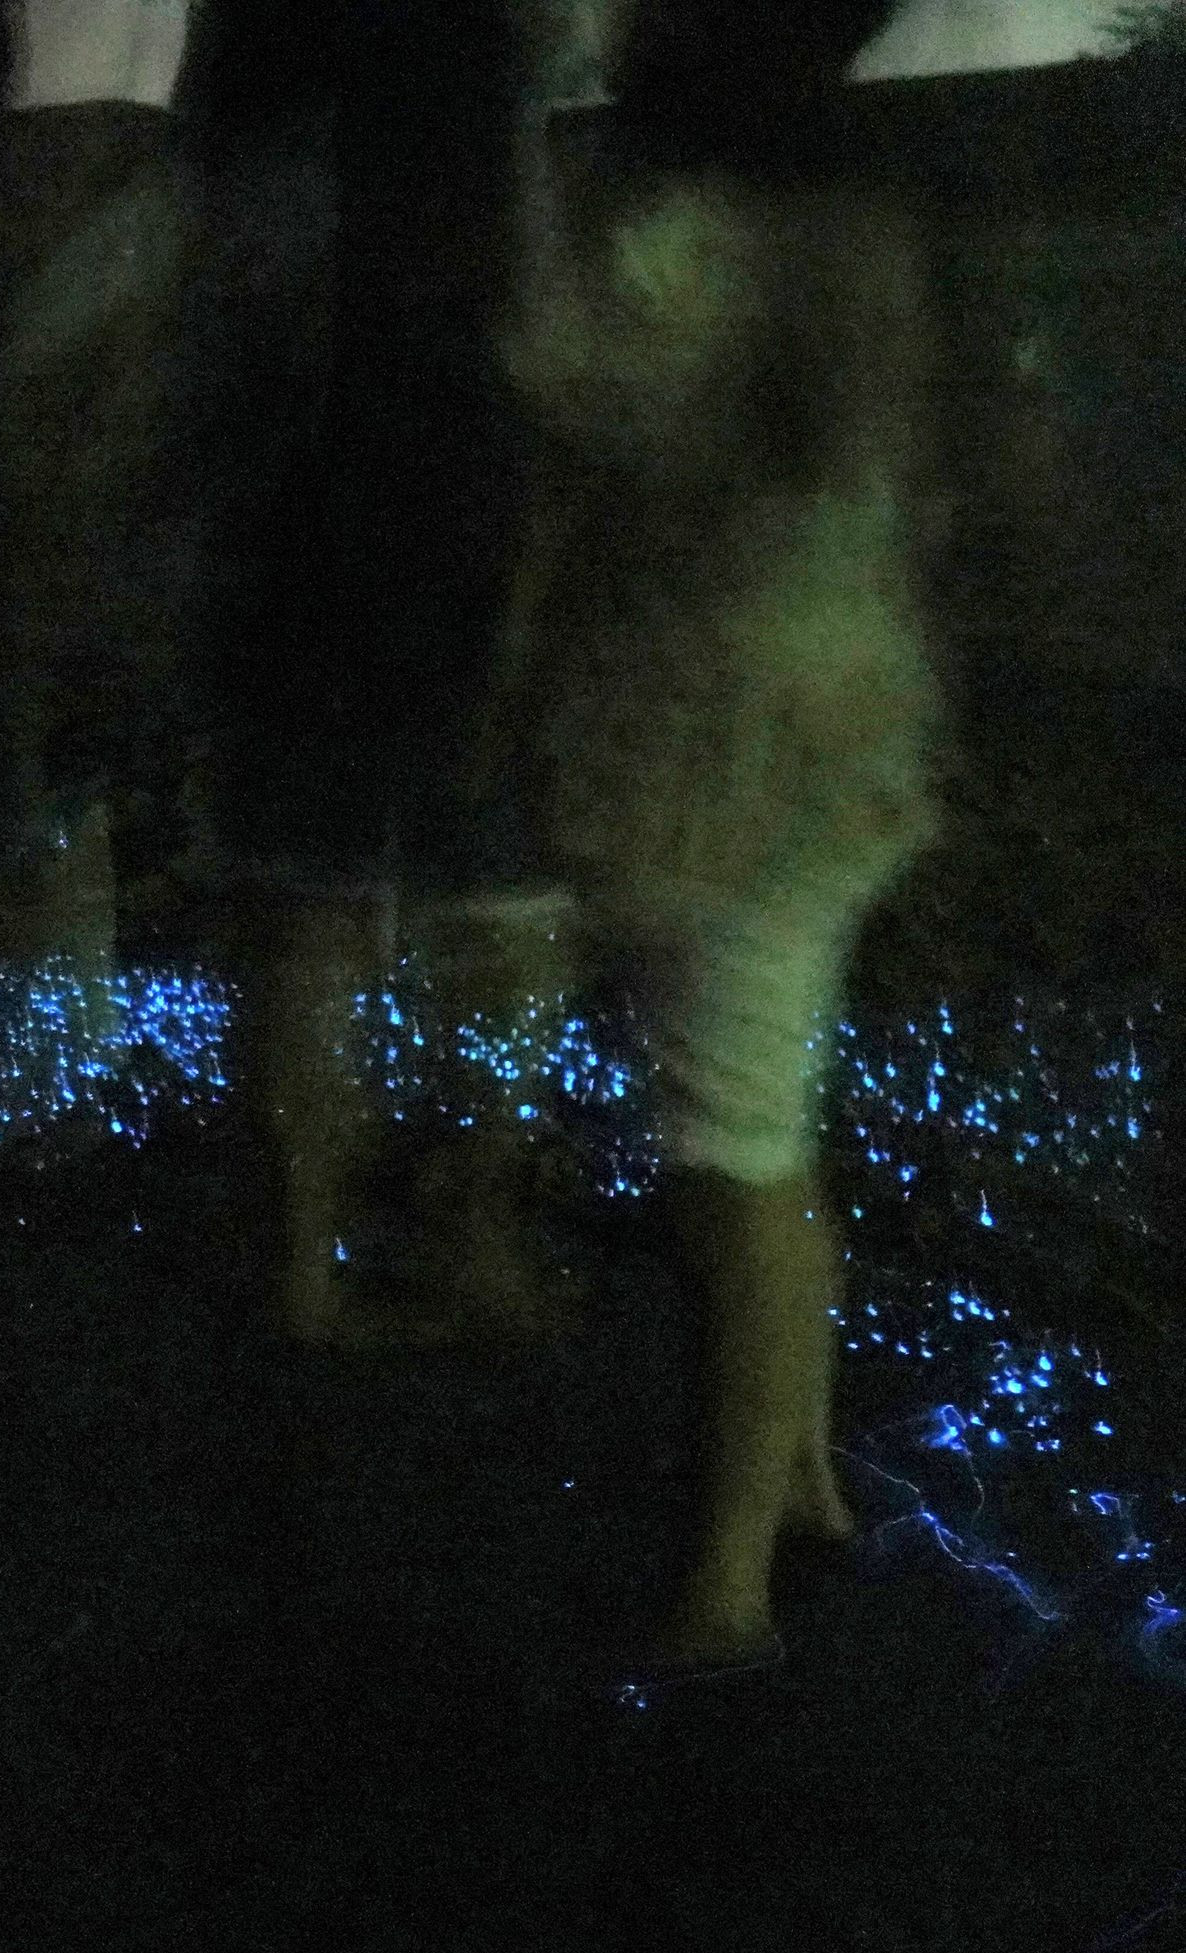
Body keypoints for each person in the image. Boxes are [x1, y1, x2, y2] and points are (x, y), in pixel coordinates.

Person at [499, 0, 935, 1682]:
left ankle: (727, 1582)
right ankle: (797, 1477)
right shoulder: (849, 225)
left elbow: (586, 416)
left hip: (722, 735)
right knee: (760, 1123)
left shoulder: (680, 234)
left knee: (727, 1151)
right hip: (823, 714)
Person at [174, 0, 574, 1347]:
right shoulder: (472, 65)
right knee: (503, 895)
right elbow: (523, 293)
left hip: (287, 497)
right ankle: (473, 1232)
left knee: (303, 898)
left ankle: (300, 1254)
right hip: (455, 480)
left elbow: (218, 275)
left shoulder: (257, 64)